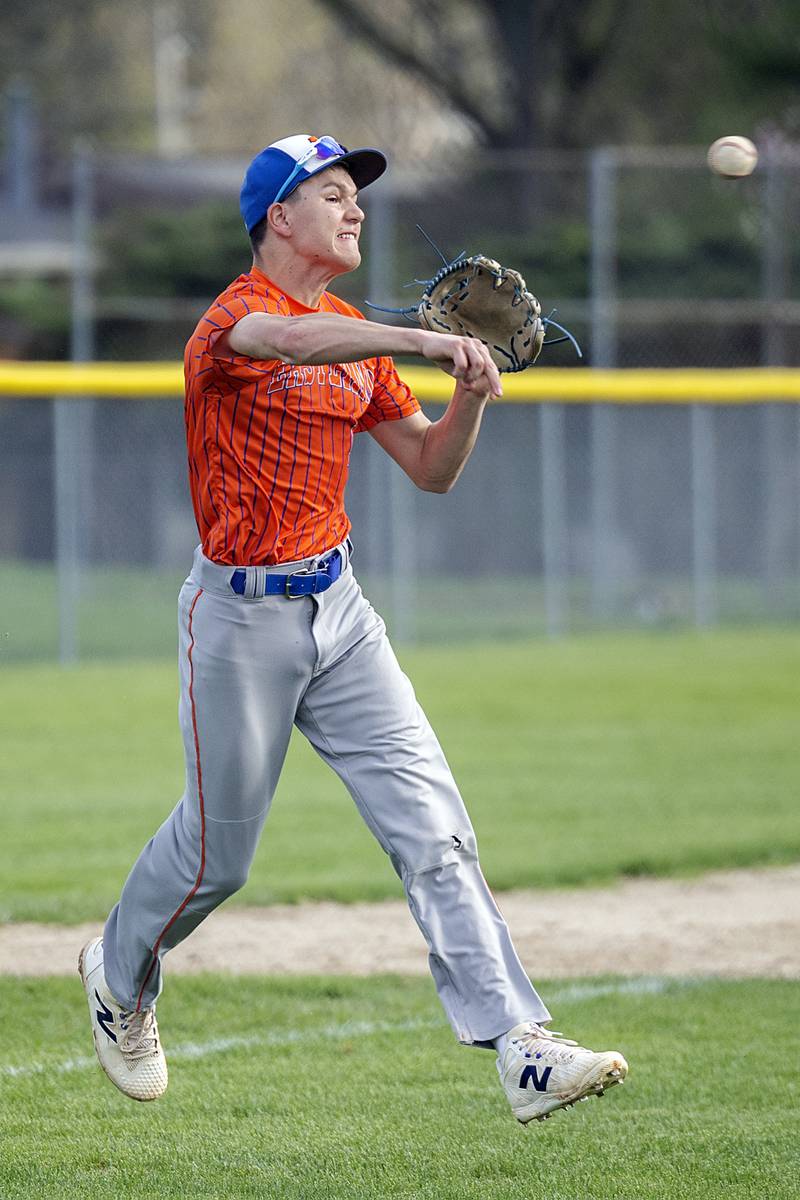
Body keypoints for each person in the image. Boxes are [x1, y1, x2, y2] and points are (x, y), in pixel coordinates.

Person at [79, 133, 628, 1123]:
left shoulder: (350, 336)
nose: (357, 209)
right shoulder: (236, 321)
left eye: (358, 196)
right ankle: (118, 973)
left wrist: (465, 399)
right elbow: (285, 343)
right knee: (218, 858)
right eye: (332, 194)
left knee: (433, 831)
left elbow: (429, 468)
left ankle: (520, 1047)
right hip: (237, 620)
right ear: (275, 218)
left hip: (340, 613)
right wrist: (421, 341)